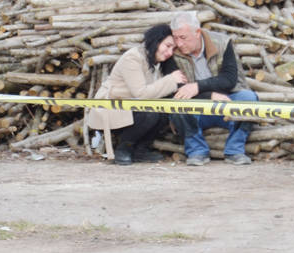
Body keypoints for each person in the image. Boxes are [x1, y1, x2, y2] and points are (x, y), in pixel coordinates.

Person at [87, 23, 187, 165]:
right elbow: (141, 93)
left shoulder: (154, 60)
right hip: (112, 108)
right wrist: (171, 80)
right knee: (150, 113)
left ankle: (141, 149)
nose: (170, 52)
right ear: (156, 41)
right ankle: (123, 149)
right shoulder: (132, 58)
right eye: (167, 46)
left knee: (164, 110)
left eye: (173, 49)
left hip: (131, 107)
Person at [167, 11, 257, 166]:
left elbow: (229, 79)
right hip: (196, 107)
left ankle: (234, 151)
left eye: (183, 38)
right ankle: (196, 151)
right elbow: (180, 91)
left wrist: (198, 87)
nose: (179, 43)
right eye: (175, 38)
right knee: (177, 106)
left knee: (249, 98)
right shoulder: (172, 52)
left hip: (226, 100)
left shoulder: (222, 43)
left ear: (197, 32)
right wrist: (209, 95)